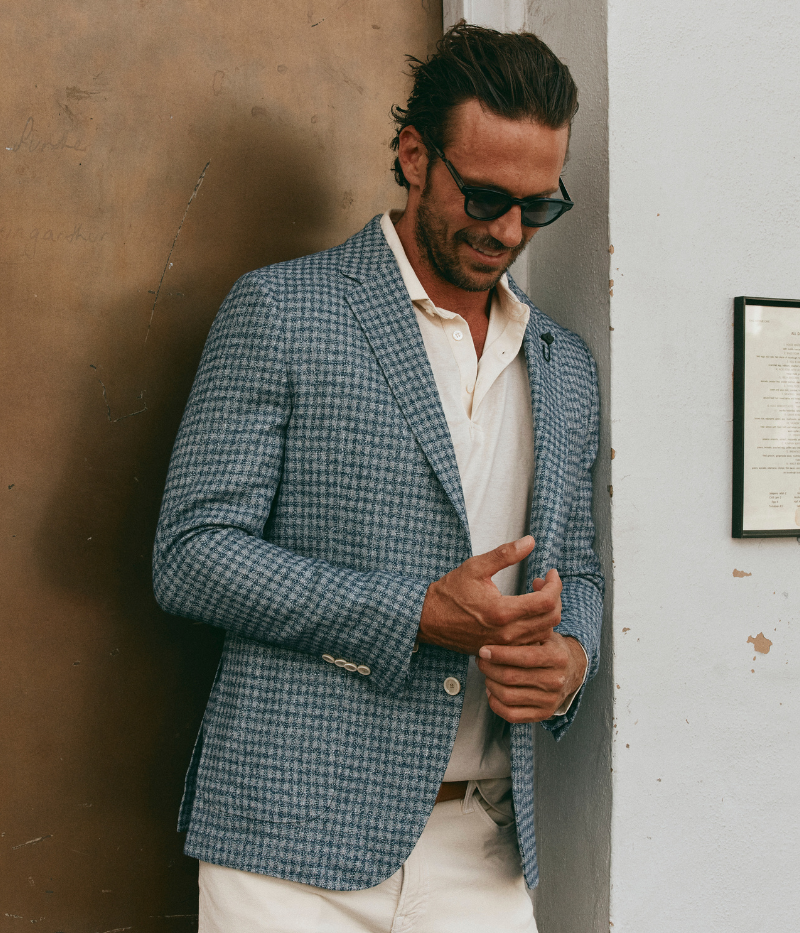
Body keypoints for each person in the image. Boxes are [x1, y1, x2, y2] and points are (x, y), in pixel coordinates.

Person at [153, 23, 603, 933]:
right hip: (288, 850)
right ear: (413, 157)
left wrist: (572, 659)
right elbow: (192, 552)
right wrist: (412, 615)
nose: (507, 230)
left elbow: (579, 570)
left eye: (536, 206)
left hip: (484, 845)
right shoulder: (282, 310)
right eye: (482, 196)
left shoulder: (564, 365)